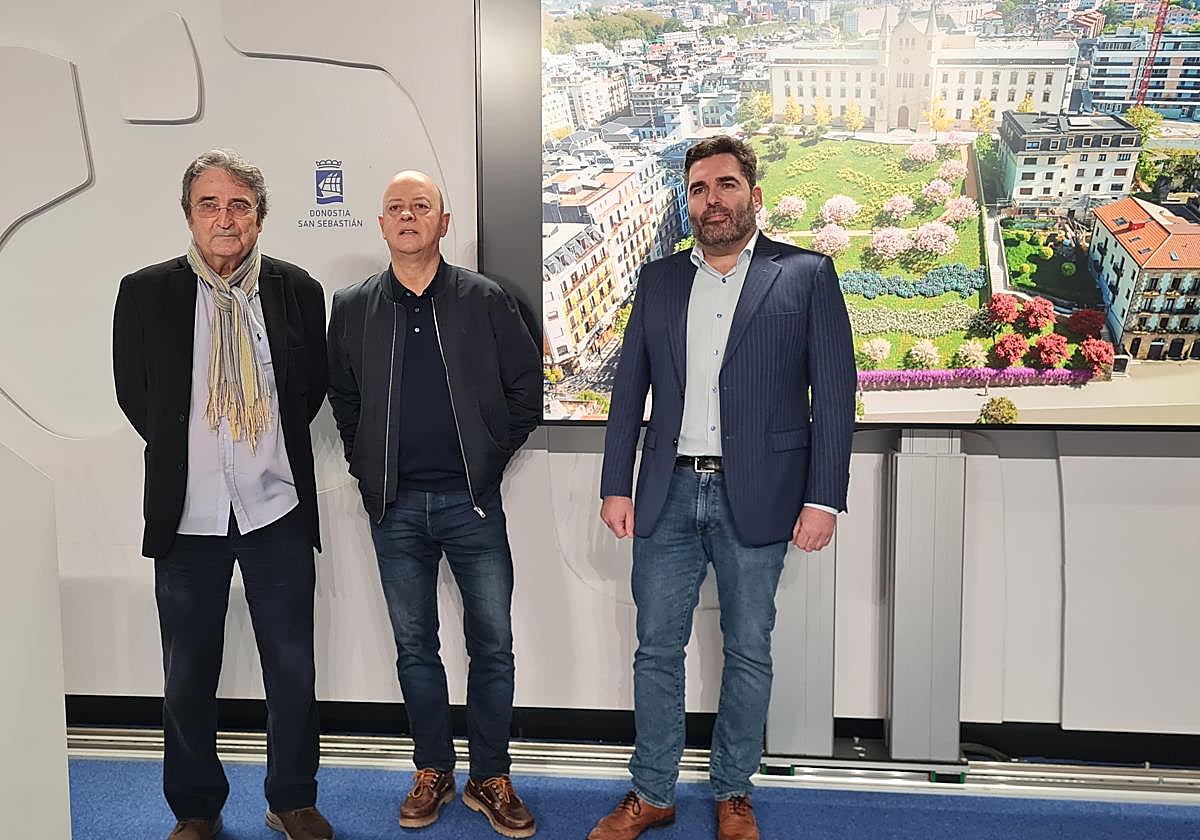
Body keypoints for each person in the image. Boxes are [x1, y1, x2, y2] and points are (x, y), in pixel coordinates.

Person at [589, 135, 857, 840]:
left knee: (748, 649)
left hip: (763, 492)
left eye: (727, 186)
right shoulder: (659, 280)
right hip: (666, 494)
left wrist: (823, 497)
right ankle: (651, 793)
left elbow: (834, 396)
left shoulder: (805, 275)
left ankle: (734, 791)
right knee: (656, 649)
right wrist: (617, 484)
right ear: (689, 201)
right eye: (701, 189)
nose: (714, 200)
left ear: (755, 195)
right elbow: (628, 395)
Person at [112, 149, 333, 840]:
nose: (225, 218)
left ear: (259, 218)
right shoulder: (146, 292)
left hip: (276, 511)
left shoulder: (298, 290)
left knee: (292, 670)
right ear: (189, 215)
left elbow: (310, 391)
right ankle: (197, 810)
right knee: (186, 677)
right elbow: (135, 395)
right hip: (187, 518)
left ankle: (292, 798)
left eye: (239, 204)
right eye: (209, 204)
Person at [326, 170, 541, 838]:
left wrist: (487, 461)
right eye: (396, 207)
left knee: (494, 645)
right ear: (382, 225)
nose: (408, 216)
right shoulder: (354, 305)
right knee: (415, 647)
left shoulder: (486, 299)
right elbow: (345, 398)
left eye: (422, 206)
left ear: (444, 222)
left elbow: (526, 390)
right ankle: (433, 771)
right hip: (395, 510)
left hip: (471, 506)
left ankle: (491, 776)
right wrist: (369, 474)